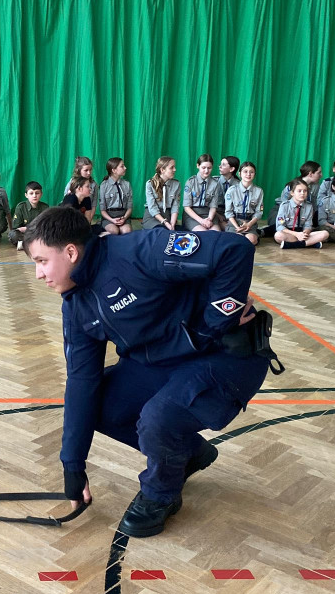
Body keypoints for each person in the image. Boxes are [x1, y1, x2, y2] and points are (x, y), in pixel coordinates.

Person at [23, 206, 271, 538]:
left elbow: (234, 249)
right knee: (100, 404)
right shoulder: (77, 306)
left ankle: (160, 495)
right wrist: (73, 465)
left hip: (223, 357)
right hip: (163, 362)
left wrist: (217, 322)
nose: (38, 274)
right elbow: (82, 382)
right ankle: (187, 453)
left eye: (41, 261)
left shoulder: (139, 251)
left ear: (70, 252)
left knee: (158, 417)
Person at [274, 180, 328, 249]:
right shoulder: (284, 206)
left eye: (305, 191)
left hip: (302, 233)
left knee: (325, 234)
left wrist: (305, 233)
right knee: (278, 235)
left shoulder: (309, 206)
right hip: (290, 233)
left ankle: (293, 245)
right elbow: (280, 226)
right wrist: (297, 234)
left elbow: (308, 225)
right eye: (299, 191)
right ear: (292, 193)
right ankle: (310, 244)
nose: (302, 193)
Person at [224, 161, 264, 245]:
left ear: (254, 174)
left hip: (250, 223)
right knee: (237, 240)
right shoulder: (232, 190)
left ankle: (256, 235)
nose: (248, 174)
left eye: (251, 172)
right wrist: (237, 227)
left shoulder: (259, 191)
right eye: (245, 171)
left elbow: (259, 212)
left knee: (252, 240)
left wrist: (249, 224)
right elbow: (228, 212)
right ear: (239, 173)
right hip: (234, 223)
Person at [182, 154, 221, 232]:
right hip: (193, 215)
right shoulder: (191, 182)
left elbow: (213, 206)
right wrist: (201, 221)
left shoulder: (215, 183)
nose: (206, 171)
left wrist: (209, 219)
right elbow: (186, 207)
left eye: (209, 168)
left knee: (215, 233)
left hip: (209, 214)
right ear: (198, 166)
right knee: (203, 233)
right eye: (203, 167)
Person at [141, 156, 180, 231]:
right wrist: (165, 222)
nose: (175, 170)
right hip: (152, 216)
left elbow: (175, 206)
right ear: (162, 170)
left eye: (174, 167)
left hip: (167, 215)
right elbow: (152, 207)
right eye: (172, 167)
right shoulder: (150, 184)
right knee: (160, 230)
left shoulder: (176, 184)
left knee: (172, 233)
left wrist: (172, 224)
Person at [97, 157, 134, 235]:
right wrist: (112, 220)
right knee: (114, 231)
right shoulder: (104, 185)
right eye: (122, 166)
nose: (125, 168)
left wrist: (124, 218)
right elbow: (102, 210)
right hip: (109, 217)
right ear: (114, 170)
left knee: (126, 232)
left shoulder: (127, 184)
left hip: (123, 216)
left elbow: (129, 207)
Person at [9, 181, 48, 249]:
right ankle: (35, 244)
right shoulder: (21, 207)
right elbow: (16, 227)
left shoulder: (45, 207)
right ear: (26, 195)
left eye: (37, 193)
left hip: (39, 233)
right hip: (25, 235)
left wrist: (28, 228)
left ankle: (26, 244)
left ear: (41, 194)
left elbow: (47, 226)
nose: (34, 196)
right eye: (31, 193)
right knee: (13, 234)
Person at [64, 156, 98, 224]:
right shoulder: (72, 183)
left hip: (86, 216)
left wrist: (88, 222)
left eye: (90, 170)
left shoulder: (94, 185)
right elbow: (66, 204)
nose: (89, 173)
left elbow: (93, 205)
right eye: (86, 170)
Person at [215, 156, 241, 227]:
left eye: (223, 164)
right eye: (220, 164)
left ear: (232, 169)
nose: (220, 166)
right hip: (216, 212)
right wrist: (218, 215)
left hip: (233, 214)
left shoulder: (239, 185)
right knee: (224, 226)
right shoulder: (214, 182)